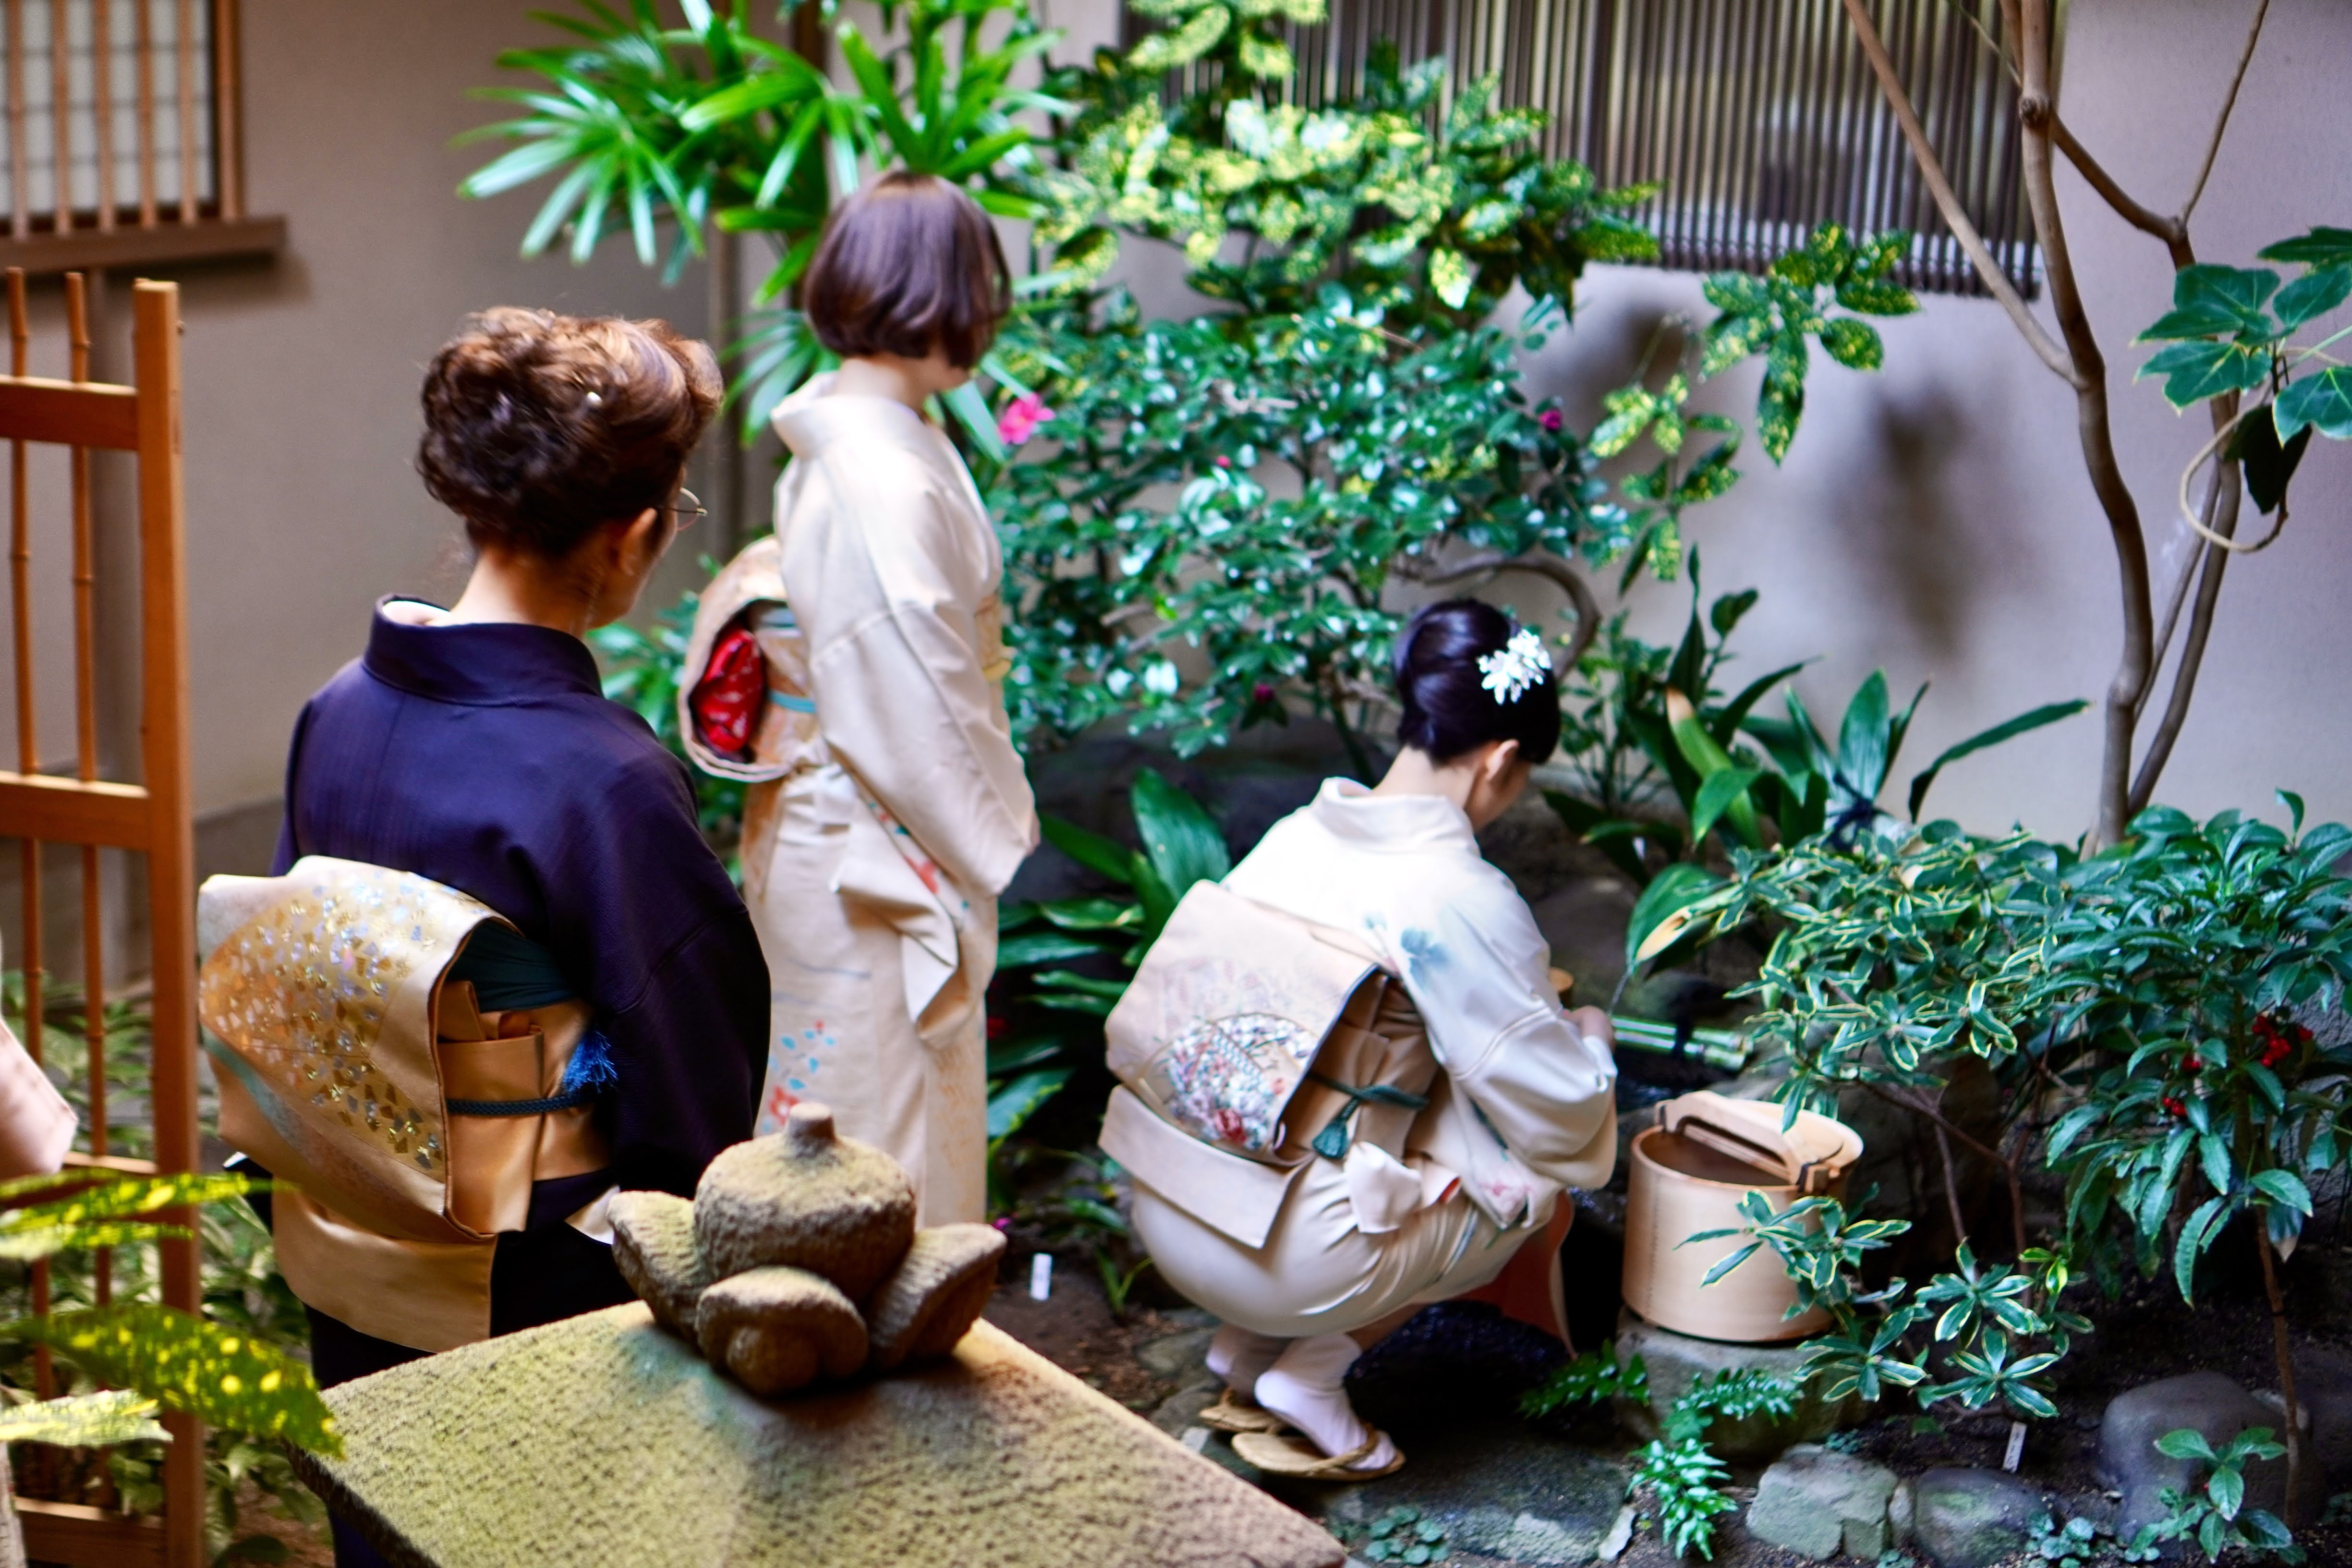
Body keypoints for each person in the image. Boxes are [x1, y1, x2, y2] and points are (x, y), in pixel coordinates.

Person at [260, 308, 766, 1564]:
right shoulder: (602, 787)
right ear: (630, 533)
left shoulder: (339, 710)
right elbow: (688, 1123)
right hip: (537, 1316)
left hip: (353, 1275)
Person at [1100, 600, 1618, 1479]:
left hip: (1164, 1205)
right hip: (1284, 1263)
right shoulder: (1455, 894)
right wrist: (1592, 1041)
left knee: (1329, 1092)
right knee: (1527, 1174)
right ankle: (1311, 1371)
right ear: (1500, 760)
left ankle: (1243, 1347)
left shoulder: (1294, 834)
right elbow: (1558, 1110)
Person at [680, 172, 1038, 1228]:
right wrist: (998, 830)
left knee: (859, 1117)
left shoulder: (865, 433)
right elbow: (914, 701)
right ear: (939, 294)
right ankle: (869, 1330)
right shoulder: (879, 465)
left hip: (834, 825)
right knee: (872, 1139)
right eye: (978, 285)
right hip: (868, 843)